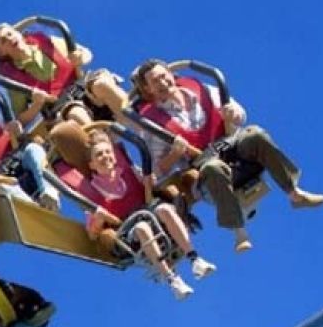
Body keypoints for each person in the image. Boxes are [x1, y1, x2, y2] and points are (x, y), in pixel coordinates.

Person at [130, 59, 323, 252]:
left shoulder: (199, 89)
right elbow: (159, 170)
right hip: (202, 167)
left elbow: (238, 113)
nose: (163, 83)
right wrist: (174, 154)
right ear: (148, 90)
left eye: (164, 76)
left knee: (255, 133)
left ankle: (294, 194)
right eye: (155, 82)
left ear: (171, 74)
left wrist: (234, 115)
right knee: (214, 168)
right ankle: (239, 232)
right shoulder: (152, 124)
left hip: (229, 146)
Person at [48, 122, 214, 299]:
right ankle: (173, 280)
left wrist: (148, 180)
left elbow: (149, 183)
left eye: (107, 152)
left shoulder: (128, 170)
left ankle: (195, 259)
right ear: (92, 165)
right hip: (127, 226)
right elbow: (92, 233)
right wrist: (99, 217)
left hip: (149, 209)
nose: (105, 156)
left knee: (165, 208)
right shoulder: (89, 189)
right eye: (99, 155)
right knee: (142, 227)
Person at [0, 21, 128, 126]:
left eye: (10, 34)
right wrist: (36, 104)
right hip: (62, 105)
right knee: (77, 115)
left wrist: (81, 58)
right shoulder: (14, 78)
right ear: (1, 52)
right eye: (4, 41)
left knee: (103, 85)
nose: (10, 39)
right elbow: (21, 120)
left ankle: (140, 126)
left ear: (18, 33)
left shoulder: (46, 42)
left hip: (83, 84)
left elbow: (85, 52)